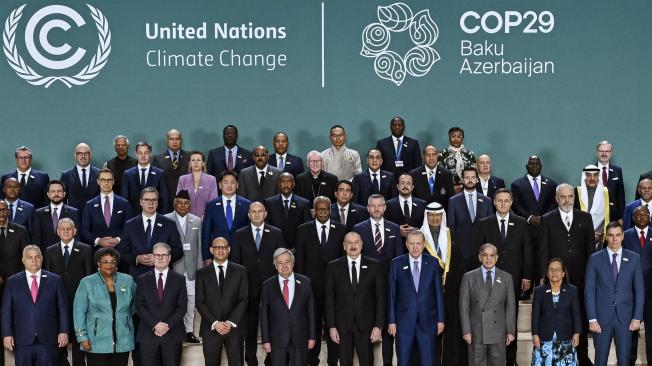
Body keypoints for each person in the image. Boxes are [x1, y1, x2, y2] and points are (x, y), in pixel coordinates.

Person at [538, 183, 596, 366]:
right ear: (556, 199)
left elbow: (591, 250)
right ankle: (556, 355)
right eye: (563, 197)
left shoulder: (585, 218)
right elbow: (543, 250)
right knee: (558, 315)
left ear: (574, 197)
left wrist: (591, 276)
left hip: (580, 276)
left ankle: (583, 355)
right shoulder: (547, 219)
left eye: (570, 196)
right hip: (555, 278)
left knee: (581, 314)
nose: (567, 200)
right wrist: (543, 275)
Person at [478, 188, 532, 366]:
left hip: (513, 278)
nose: (502, 203)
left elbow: (527, 252)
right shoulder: (485, 223)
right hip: (488, 279)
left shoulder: (521, 222)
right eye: (499, 200)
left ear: (511, 202)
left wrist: (526, 276)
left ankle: (510, 359)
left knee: (510, 318)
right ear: (494, 202)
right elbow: (479, 253)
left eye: (506, 200)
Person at [231, 202, 285, 365]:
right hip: (248, 288)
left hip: (271, 287)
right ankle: (251, 357)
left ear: (265, 213)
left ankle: (272, 357)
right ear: (248, 215)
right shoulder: (239, 234)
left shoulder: (276, 233)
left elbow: (282, 262)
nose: (256, 214)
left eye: (259, 211)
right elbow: (236, 263)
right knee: (250, 325)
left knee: (273, 323)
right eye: (253, 212)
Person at [294, 196, 346, 366]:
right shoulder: (303, 229)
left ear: (330, 210)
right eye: (320, 209)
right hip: (311, 288)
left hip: (335, 289)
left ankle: (333, 360)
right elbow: (300, 260)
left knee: (333, 325)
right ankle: (312, 361)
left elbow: (343, 260)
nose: (323, 212)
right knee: (312, 326)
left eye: (326, 209)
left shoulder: (341, 229)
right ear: (313, 211)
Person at [585, 221, 644, 366]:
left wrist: (637, 317)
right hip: (601, 319)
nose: (614, 239)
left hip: (626, 319)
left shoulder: (634, 258)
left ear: (623, 236)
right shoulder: (595, 258)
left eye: (618, 235)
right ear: (606, 237)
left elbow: (639, 290)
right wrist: (592, 319)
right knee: (600, 361)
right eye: (610, 235)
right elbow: (589, 290)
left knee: (624, 361)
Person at [1, 245, 69, 366]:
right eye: (30, 257)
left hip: (49, 338)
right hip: (22, 339)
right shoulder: (12, 282)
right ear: (23, 260)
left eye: (37, 257)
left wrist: (64, 331)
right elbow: (6, 311)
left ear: (42, 258)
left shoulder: (56, 280)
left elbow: (63, 308)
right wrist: (7, 334)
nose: (34, 260)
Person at [324, 232, 385, 366]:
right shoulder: (333, 266)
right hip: (342, 326)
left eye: (356, 242)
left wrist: (378, 325)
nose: (353, 246)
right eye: (349, 243)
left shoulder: (374, 266)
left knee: (367, 361)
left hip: (367, 325)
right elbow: (329, 299)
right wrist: (331, 326)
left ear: (362, 245)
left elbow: (380, 298)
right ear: (344, 246)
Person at [387, 230, 445, 366]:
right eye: (411, 243)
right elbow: (391, 294)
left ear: (424, 244)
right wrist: (391, 321)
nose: (415, 247)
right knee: (404, 361)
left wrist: (441, 319)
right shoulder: (396, 263)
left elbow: (438, 292)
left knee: (428, 361)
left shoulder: (433, 263)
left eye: (418, 243)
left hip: (428, 321)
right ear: (406, 244)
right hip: (403, 323)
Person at [418, 201, 466, 366]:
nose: (435, 218)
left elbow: (459, 262)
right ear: (426, 216)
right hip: (427, 293)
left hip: (451, 291)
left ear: (442, 216)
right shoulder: (419, 237)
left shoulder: (452, 234)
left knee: (451, 329)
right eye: (431, 215)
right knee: (429, 330)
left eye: (438, 215)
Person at [73, 247, 136, 366]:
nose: (109, 265)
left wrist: (124, 320)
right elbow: (79, 312)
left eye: (113, 262)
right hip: (95, 341)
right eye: (105, 262)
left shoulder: (128, 281)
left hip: (122, 340)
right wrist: (82, 337)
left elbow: (134, 306)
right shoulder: (87, 282)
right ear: (98, 263)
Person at [44, 218, 94, 366]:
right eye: (62, 229)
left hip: (79, 302)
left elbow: (89, 276)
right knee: (60, 340)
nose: (66, 231)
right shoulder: (49, 250)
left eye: (69, 229)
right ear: (57, 232)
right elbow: (47, 278)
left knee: (79, 339)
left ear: (75, 231)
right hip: (57, 302)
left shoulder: (85, 249)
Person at [459, 243, 516, 366]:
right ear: (479, 257)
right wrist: (466, 331)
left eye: (492, 255)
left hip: (499, 332)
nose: (489, 258)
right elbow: (464, 307)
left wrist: (510, 331)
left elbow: (510, 307)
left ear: (497, 258)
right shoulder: (468, 277)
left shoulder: (507, 278)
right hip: (476, 331)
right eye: (485, 255)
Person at [195, 237, 248, 366]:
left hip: (234, 329)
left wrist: (230, 322)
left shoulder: (240, 270)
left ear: (228, 249)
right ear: (211, 250)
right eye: (217, 247)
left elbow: (244, 299)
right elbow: (199, 302)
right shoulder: (201, 273)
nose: (220, 250)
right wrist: (215, 323)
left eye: (223, 247)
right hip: (211, 328)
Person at [260, 248, 316, 366]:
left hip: (300, 338)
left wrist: (312, 336)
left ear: (293, 263)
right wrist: (265, 340)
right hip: (277, 340)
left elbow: (311, 311)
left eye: (287, 262)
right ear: (275, 265)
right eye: (280, 262)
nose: (284, 265)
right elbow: (264, 315)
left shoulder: (306, 282)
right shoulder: (267, 285)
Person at [135, 242, 188, 366]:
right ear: (152, 257)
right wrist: (155, 324)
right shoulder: (142, 279)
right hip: (148, 335)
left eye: (164, 255)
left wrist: (167, 325)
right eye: (157, 255)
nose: (160, 258)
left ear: (169, 258)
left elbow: (182, 307)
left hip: (172, 334)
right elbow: (139, 306)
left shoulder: (179, 279)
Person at [510, 155, 557, 288]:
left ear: (541, 166)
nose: (534, 166)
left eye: (537, 164)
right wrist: (529, 217)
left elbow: (554, 203)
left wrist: (544, 217)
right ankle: (526, 290)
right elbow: (515, 205)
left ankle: (545, 287)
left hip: (545, 228)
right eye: (531, 164)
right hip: (526, 229)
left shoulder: (551, 184)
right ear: (526, 166)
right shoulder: (517, 184)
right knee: (527, 258)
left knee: (545, 259)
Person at [118, 187, 183, 277]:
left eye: (154, 200)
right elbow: (121, 252)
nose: (150, 203)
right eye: (147, 200)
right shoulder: (130, 225)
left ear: (157, 202)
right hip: (137, 277)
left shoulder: (169, 224)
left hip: (162, 277)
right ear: (141, 202)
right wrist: (136, 259)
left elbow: (179, 250)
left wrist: (161, 258)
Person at [164, 190, 201, 343]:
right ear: (174, 203)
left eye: (186, 203)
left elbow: (199, 247)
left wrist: (199, 270)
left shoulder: (196, 221)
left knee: (191, 301)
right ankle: (173, 328)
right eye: (179, 202)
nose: (183, 206)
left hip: (191, 268)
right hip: (174, 268)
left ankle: (189, 330)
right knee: (172, 300)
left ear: (190, 205)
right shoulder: (166, 219)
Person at [531, 258, 581, 366]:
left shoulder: (572, 290)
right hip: (544, 339)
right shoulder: (539, 290)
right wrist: (535, 334)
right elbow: (535, 315)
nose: (554, 272)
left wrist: (577, 333)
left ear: (563, 273)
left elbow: (576, 314)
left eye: (557, 269)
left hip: (566, 338)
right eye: (551, 269)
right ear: (547, 273)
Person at [0, 200, 30, 366]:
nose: (2, 213)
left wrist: (18, 279)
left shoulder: (20, 231)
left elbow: (26, 257)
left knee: (17, 319)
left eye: (5, 210)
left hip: (15, 285)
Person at [447, 166, 493, 271]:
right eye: (467, 178)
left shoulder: (487, 201)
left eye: (473, 177)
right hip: (461, 254)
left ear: (477, 179)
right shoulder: (453, 201)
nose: (470, 180)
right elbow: (451, 228)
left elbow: (490, 228)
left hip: (483, 254)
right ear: (462, 180)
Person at [622, 206, 652, 363]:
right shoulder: (624, 236)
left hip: (651, 293)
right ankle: (629, 361)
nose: (642, 217)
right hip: (631, 293)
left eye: (645, 214)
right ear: (633, 218)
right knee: (631, 331)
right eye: (639, 215)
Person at [201, 170, 252, 263]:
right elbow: (206, 233)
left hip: (241, 253)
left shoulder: (247, 204)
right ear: (220, 185)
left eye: (232, 182)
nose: (229, 185)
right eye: (226, 182)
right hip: (218, 252)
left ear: (237, 185)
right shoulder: (211, 205)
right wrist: (206, 257)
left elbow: (250, 231)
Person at [80, 168, 133, 250]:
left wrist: (118, 239)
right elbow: (84, 230)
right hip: (97, 251)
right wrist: (98, 241)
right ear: (98, 181)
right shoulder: (89, 205)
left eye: (109, 180)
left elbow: (130, 227)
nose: (106, 183)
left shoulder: (124, 203)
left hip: (120, 250)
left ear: (113, 181)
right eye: (103, 180)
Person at [264, 172, 312, 249]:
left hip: (297, 247)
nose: (286, 184)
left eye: (289, 181)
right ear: (278, 184)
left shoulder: (304, 203)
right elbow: (266, 226)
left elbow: (307, 228)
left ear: (293, 184)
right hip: (275, 247)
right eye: (283, 181)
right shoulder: (269, 203)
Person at [121, 141, 170, 215]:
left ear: (150, 154)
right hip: (133, 219)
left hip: (155, 218)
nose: (143, 156)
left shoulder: (160, 174)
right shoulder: (127, 174)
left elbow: (165, 200)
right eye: (140, 153)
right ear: (136, 154)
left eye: (146, 153)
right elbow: (124, 200)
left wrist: (162, 219)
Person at [31, 180, 80, 251]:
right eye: (53, 191)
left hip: (67, 254)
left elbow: (76, 237)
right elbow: (36, 239)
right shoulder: (39, 213)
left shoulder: (73, 212)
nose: (56, 194)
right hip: (45, 256)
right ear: (48, 194)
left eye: (59, 191)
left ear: (64, 194)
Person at [574, 165, 617, 245]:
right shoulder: (576, 192)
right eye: (589, 175)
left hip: (602, 237)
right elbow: (573, 215)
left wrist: (599, 233)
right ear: (584, 176)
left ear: (599, 176)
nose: (592, 178)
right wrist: (589, 233)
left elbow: (611, 216)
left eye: (595, 175)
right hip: (580, 236)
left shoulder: (607, 192)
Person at [153, 129, 190, 208]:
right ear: (167, 141)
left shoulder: (190, 157)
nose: (174, 142)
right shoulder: (158, 159)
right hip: (165, 203)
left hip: (186, 202)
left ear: (181, 141)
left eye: (177, 139)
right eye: (171, 139)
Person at [175, 151, 218, 218]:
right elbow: (178, 202)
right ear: (190, 164)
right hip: (186, 219)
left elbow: (213, 202)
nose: (196, 162)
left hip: (206, 219)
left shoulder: (211, 179)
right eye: (193, 160)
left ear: (203, 163)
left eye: (198, 160)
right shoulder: (182, 179)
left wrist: (206, 216)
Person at [60, 143, 100, 213]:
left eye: (86, 153)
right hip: (73, 217)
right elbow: (62, 200)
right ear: (75, 156)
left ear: (90, 155)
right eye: (80, 154)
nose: (83, 156)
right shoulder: (66, 175)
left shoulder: (99, 174)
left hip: (95, 217)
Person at [385, 173, 427, 240]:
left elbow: (426, 226)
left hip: (416, 244)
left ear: (413, 187)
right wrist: (397, 230)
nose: (405, 186)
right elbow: (385, 226)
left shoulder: (422, 204)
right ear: (398, 186)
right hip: (396, 244)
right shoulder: (388, 204)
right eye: (402, 183)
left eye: (408, 183)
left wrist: (416, 230)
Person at [439, 126, 476, 193]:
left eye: (459, 137)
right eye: (453, 136)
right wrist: (450, 187)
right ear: (449, 137)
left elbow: (474, 172)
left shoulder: (469, 154)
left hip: (467, 188)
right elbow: (440, 173)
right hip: (448, 189)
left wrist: (464, 186)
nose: (456, 139)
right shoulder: (442, 154)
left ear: (462, 138)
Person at [594, 141, 625, 222]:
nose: (604, 153)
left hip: (613, 217)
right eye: (601, 151)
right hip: (595, 216)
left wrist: (621, 218)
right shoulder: (590, 170)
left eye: (607, 151)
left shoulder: (617, 170)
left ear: (611, 153)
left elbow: (621, 196)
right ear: (597, 152)